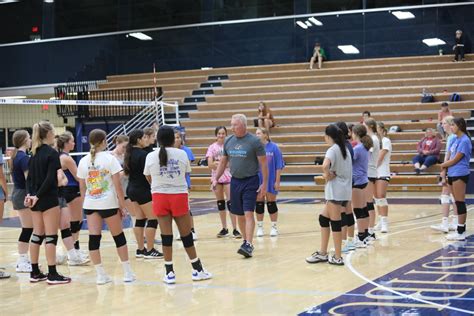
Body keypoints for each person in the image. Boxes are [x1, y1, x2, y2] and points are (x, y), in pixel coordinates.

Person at [144, 125, 212, 284]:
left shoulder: (150, 156)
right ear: (171, 139)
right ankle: (197, 269)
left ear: (159, 139)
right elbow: (185, 173)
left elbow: (148, 177)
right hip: (178, 196)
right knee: (186, 235)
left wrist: (160, 184)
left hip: (159, 196)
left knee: (166, 236)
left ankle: (169, 273)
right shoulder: (182, 154)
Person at [77, 129, 135, 284]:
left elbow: (82, 188)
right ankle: (127, 273)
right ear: (104, 141)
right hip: (108, 204)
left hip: (91, 204)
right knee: (119, 237)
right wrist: (122, 207)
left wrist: (85, 204)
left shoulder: (83, 160)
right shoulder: (110, 159)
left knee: (94, 239)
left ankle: (101, 275)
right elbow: (118, 186)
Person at [214, 114, 268, 258]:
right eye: (231, 124)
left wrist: (264, 184)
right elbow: (223, 162)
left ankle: (249, 244)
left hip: (251, 181)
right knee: (239, 214)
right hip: (235, 181)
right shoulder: (228, 141)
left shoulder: (254, 141)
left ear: (243, 125)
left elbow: (263, 164)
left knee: (248, 212)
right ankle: (246, 241)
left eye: (235, 125)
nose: (232, 127)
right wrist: (215, 179)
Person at [25, 121, 71, 284]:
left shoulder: (34, 153)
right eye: (53, 132)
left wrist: (30, 195)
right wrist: (37, 195)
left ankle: (35, 271)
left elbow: (29, 179)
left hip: (35, 199)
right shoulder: (51, 153)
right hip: (48, 198)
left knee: (37, 234)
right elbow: (51, 178)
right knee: (51, 236)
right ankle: (52, 274)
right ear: (49, 134)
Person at [306, 124, 352, 266]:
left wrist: (327, 175)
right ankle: (323, 253)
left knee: (335, 223)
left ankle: (337, 256)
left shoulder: (333, 149)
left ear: (328, 136)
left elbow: (325, 165)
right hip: (344, 191)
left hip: (335, 191)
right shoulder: (344, 149)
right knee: (323, 219)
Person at [124, 129, 163, 259]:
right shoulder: (143, 155)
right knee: (153, 218)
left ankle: (140, 249)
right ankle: (150, 249)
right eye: (144, 137)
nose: (146, 139)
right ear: (139, 140)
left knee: (140, 219)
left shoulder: (129, 153)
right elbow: (148, 174)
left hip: (132, 189)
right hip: (142, 190)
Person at [56, 132, 89, 265]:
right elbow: (78, 176)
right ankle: (74, 252)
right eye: (72, 141)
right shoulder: (66, 158)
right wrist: (86, 190)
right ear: (66, 143)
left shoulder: (59, 156)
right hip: (72, 191)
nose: (74, 143)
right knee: (76, 221)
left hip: (64, 191)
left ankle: (74, 250)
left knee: (72, 222)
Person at [206, 126, 240, 238]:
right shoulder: (211, 147)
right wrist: (222, 163)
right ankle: (224, 228)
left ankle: (235, 229)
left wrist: (219, 163)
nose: (221, 135)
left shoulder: (229, 146)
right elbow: (210, 164)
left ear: (226, 134)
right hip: (216, 178)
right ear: (216, 135)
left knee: (231, 203)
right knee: (220, 203)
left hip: (228, 177)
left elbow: (232, 163)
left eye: (223, 133)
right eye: (219, 133)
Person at [441, 118, 471, 241]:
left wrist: (443, 165)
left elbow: (455, 159)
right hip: (452, 173)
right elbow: (451, 156)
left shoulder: (464, 140)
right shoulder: (455, 139)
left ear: (459, 126)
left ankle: (461, 231)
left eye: (453, 125)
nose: (451, 127)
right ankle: (459, 230)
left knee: (460, 202)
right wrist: (445, 170)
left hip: (460, 173)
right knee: (456, 201)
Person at [9, 130, 34, 272]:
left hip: (19, 193)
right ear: (24, 140)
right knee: (28, 228)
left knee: (29, 228)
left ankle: (25, 259)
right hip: (23, 194)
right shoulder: (23, 158)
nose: (31, 140)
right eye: (29, 138)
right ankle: (22, 261)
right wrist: (31, 194)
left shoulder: (18, 156)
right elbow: (28, 179)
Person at [255, 128, 284, 237]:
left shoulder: (274, 148)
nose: (256, 135)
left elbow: (279, 166)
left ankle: (274, 227)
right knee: (259, 203)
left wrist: (277, 181)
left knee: (271, 203)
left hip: (271, 179)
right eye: (256, 133)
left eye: (259, 133)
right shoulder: (255, 148)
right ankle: (260, 227)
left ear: (265, 135)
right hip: (258, 179)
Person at [431, 116, 458, 233]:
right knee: (453, 196)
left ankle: (445, 223)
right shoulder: (452, 137)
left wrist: (443, 171)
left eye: (443, 123)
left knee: (445, 196)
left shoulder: (452, 137)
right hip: (453, 169)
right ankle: (455, 222)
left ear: (449, 124)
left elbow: (449, 156)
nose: (442, 126)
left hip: (450, 169)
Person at [350, 124, 373, 248]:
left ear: (356, 134)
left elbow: (349, 162)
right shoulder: (364, 147)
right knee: (364, 208)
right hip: (364, 180)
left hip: (357, 181)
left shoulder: (358, 148)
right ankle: (365, 235)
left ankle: (361, 237)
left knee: (358, 210)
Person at [174, 129, 198, 240]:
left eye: (178, 137)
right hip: (172, 185)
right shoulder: (168, 152)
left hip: (184, 183)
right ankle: (181, 231)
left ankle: (191, 230)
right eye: (174, 137)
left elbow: (187, 169)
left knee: (186, 208)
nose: (177, 139)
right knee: (176, 209)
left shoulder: (186, 150)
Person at [335, 122, 354, 252]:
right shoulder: (347, 146)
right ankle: (349, 241)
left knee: (343, 212)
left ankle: (344, 242)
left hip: (343, 183)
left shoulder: (344, 148)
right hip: (347, 182)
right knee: (347, 210)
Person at [374, 122, 392, 233]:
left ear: (382, 129)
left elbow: (380, 157)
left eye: (377, 129)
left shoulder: (385, 140)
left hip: (382, 171)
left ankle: (385, 222)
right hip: (374, 173)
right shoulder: (374, 141)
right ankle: (380, 220)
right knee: (376, 198)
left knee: (381, 196)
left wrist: (372, 167)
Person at [364, 118, 380, 242]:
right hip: (368, 172)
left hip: (370, 172)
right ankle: (367, 229)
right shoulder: (372, 138)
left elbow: (367, 155)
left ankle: (371, 231)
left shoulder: (373, 139)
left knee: (369, 202)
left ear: (369, 126)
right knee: (366, 202)